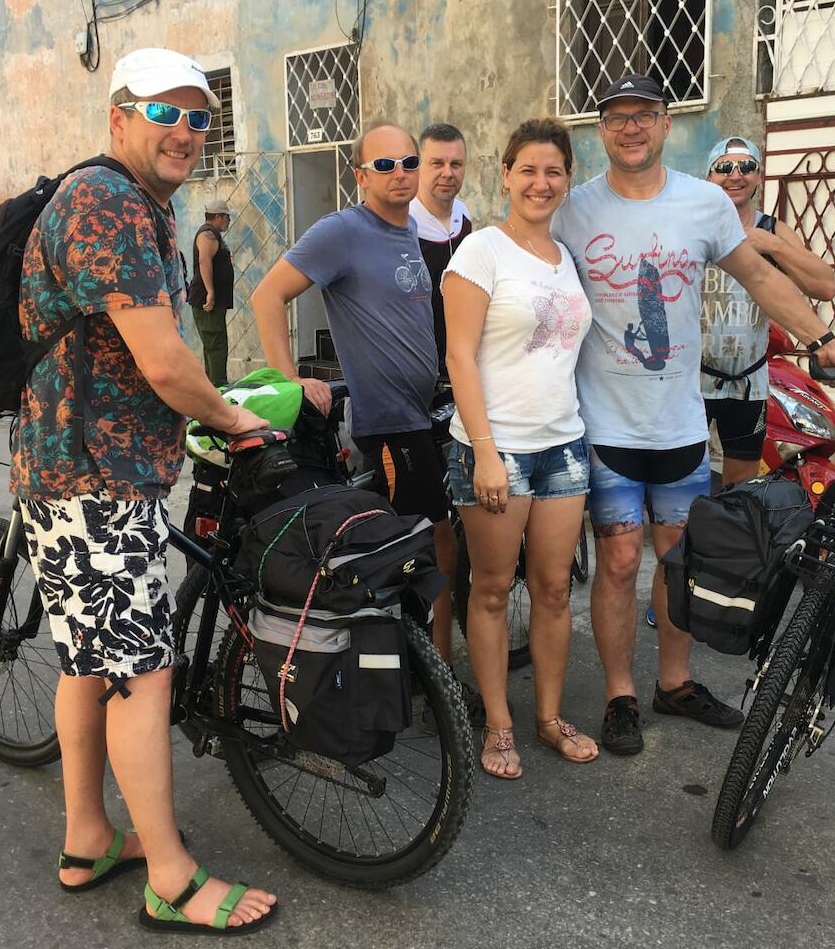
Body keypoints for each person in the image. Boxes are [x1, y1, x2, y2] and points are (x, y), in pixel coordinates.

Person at [0, 47, 277, 934]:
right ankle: (171, 878)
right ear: (119, 117)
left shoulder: (131, 201)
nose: (186, 131)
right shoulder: (109, 202)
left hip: (81, 475)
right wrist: (233, 421)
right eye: (165, 112)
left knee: (91, 664)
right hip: (92, 486)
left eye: (200, 117)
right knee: (141, 676)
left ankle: (87, 838)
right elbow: (162, 358)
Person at [552, 73, 835, 757]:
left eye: (644, 115)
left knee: (680, 560)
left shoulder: (704, 204)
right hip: (605, 426)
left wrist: (820, 338)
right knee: (619, 559)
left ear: (665, 124)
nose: (630, 127)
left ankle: (675, 682)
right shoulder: (572, 210)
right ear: (600, 130)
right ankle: (619, 695)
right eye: (616, 117)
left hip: (681, 426)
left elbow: (761, 278)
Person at [251, 122, 468, 709]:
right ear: (360, 175)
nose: (399, 173)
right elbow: (267, 296)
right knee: (423, 547)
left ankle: (424, 669)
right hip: (388, 422)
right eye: (384, 165)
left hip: (423, 415)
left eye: (407, 162)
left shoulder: (412, 232)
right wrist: (287, 379)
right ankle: (429, 682)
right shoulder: (342, 231)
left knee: (429, 543)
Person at [444, 117, 596, 780]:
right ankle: (500, 724)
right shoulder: (480, 251)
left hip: (562, 445)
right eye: (527, 169)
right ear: (505, 174)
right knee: (490, 589)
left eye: (554, 170)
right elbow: (458, 354)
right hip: (494, 446)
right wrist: (483, 449)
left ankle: (547, 716)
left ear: (566, 179)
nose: (541, 182)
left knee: (555, 590)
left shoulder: (564, 258)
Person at [702, 136, 835, 487]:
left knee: (741, 482)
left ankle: (727, 539)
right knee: (683, 477)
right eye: (724, 167)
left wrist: (771, 245)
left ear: (758, 177)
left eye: (746, 167)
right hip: (692, 381)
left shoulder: (771, 229)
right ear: (709, 177)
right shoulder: (694, 225)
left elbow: (826, 286)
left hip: (748, 380)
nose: (735, 175)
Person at [410, 123, 472, 374]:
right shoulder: (404, 222)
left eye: (456, 164)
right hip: (416, 367)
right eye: (437, 163)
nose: (448, 173)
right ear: (418, 166)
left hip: (459, 361)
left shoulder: (464, 215)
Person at [189, 196, 235, 386]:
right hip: (208, 301)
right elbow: (204, 261)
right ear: (218, 216)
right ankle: (219, 389)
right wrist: (210, 291)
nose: (228, 221)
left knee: (214, 344)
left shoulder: (213, 234)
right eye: (227, 217)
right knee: (216, 345)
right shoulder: (207, 234)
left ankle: (214, 387)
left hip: (213, 301)